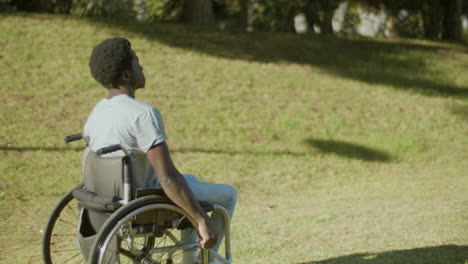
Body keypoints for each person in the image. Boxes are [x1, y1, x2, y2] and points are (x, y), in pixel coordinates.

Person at [82, 37, 237, 263]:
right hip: (145, 198)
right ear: (126, 75)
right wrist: (202, 220)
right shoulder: (142, 114)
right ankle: (204, 260)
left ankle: (191, 257)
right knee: (227, 195)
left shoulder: (98, 112)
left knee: (190, 181)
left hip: (108, 198)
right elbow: (168, 178)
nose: (142, 67)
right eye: (137, 62)